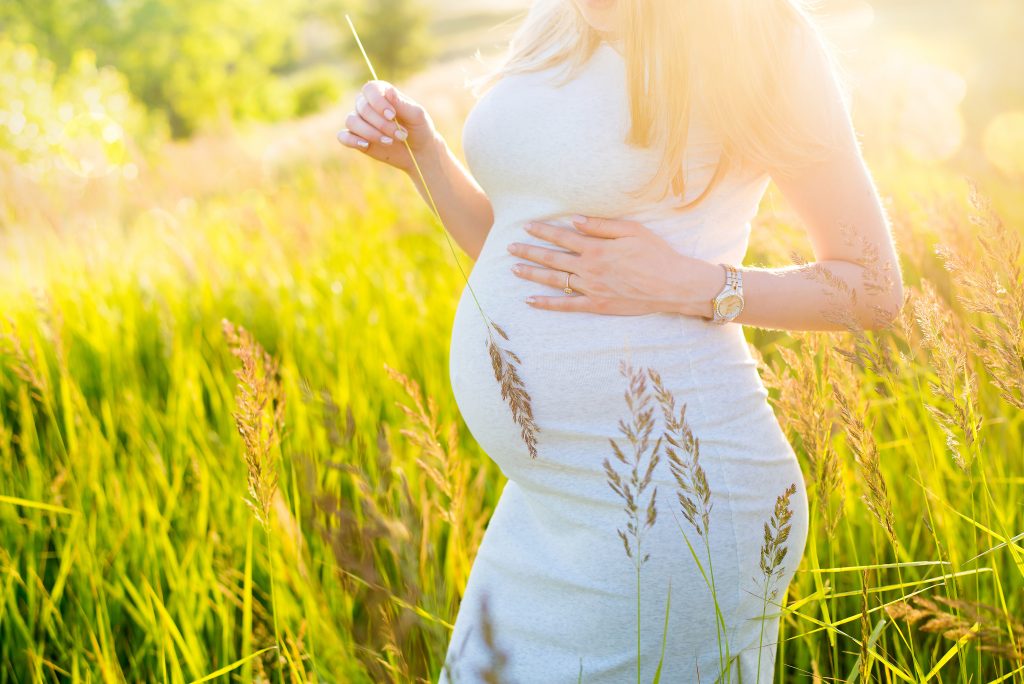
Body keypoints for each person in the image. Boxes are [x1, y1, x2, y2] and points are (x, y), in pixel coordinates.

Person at [337, 0, 904, 681]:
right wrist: (422, 156)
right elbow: (529, 251)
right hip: (545, 503)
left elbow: (871, 287)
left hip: (678, 504)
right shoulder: (557, 20)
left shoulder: (756, 32)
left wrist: (692, 282)